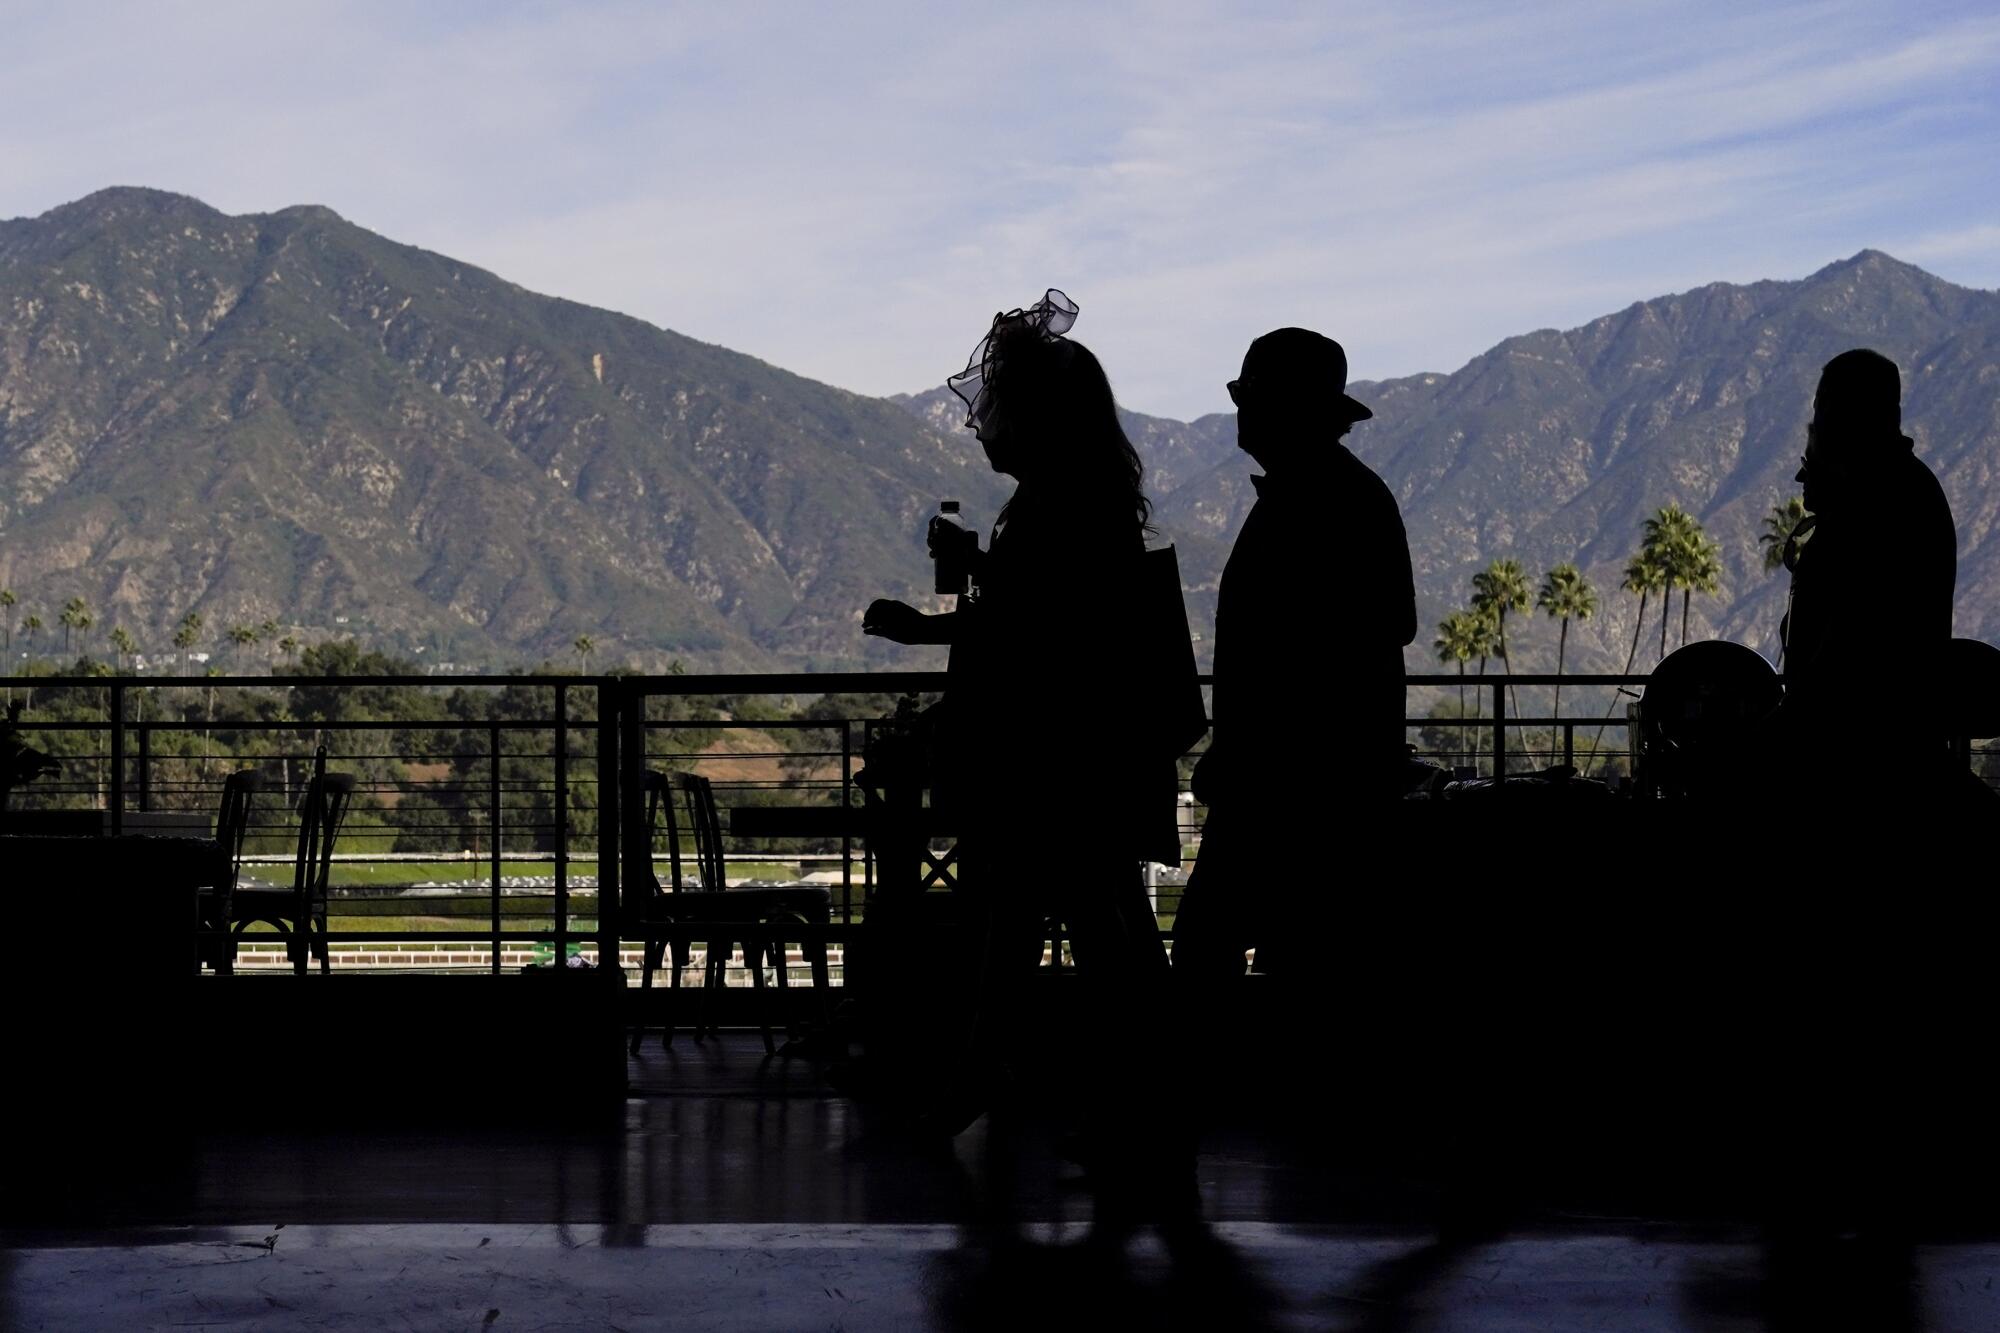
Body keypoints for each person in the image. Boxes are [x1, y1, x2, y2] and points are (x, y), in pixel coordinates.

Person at [863, 292, 1185, 1204]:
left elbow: (1041, 627)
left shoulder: (1053, 509)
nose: (985, 424)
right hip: (1088, 750)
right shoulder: (1079, 502)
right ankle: (1126, 1101)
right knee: (1089, 923)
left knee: (1080, 925)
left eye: (999, 409)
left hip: (1062, 756)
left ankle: (1084, 1094)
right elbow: (1051, 618)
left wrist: (962, 587)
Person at [1172, 327, 1416, 983]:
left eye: (1251, 399)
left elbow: (1339, 641)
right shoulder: (1341, 494)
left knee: (1214, 946)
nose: (1241, 413)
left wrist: (1257, 747)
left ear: (1285, 410)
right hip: (1309, 785)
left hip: (1294, 788)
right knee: (1296, 952)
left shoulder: (1319, 501)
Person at [1778, 348, 1957, 792]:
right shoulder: (1897, 490)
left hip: (1867, 764)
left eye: (1822, 408)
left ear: (1846, 413)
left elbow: (1846, 649)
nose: (1815, 421)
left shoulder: (1880, 502)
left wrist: (1771, 733)